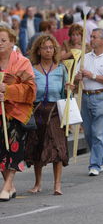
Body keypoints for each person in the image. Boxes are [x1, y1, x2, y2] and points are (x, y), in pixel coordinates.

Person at [25, 34, 70, 195]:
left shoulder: (61, 68)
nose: (48, 50)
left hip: (56, 111)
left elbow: (66, 94)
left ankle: (57, 185)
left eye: (51, 47)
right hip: (37, 111)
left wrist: (70, 87)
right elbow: (26, 89)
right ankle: (37, 183)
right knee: (38, 146)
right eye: (45, 48)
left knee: (58, 147)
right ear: (38, 50)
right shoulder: (31, 68)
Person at [75, 28, 103, 176]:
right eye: (91, 36)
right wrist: (78, 77)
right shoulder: (85, 57)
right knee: (88, 133)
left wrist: (92, 75)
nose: (91, 39)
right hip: (86, 96)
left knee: (99, 133)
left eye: (94, 37)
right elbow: (76, 76)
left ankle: (95, 164)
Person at [0, 27, 36, 201]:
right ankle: (10, 185)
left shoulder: (22, 62)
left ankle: (7, 185)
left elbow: (30, 89)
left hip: (15, 113)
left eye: (3, 40)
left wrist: (8, 89)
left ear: (12, 42)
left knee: (14, 147)